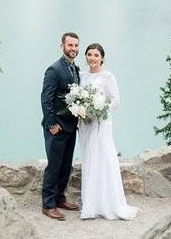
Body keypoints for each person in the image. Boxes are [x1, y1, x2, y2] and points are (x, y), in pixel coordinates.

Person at [79, 43, 137, 220]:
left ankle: (108, 203)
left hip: (101, 124)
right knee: (89, 158)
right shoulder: (81, 76)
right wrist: (82, 108)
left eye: (96, 55)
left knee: (102, 157)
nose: (92, 58)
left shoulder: (108, 77)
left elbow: (116, 101)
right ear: (86, 57)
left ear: (102, 57)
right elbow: (79, 98)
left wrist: (100, 107)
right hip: (86, 124)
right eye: (89, 54)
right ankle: (91, 203)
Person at [40, 32, 81, 221]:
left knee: (66, 165)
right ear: (62, 46)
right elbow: (46, 99)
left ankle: (60, 198)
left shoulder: (75, 68)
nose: (73, 49)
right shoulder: (54, 70)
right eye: (70, 45)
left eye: (76, 46)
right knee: (54, 166)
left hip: (71, 126)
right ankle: (48, 205)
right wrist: (52, 124)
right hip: (56, 127)